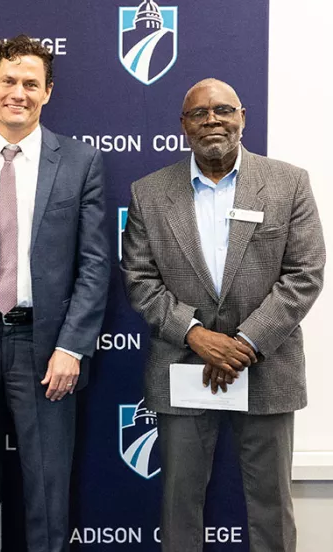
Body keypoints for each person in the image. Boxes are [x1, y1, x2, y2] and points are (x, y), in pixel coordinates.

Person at [121, 78, 325, 552]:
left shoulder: (289, 183)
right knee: (180, 505)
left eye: (223, 110)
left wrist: (245, 343)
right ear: (183, 125)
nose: (212, 119)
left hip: (267, 367)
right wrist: (195, 334)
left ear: (242, 118)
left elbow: (305, 274)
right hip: (183, 366)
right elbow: (139, 279)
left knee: (272, 507)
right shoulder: (149, 193)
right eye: (199, 113)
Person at [0, 35, 109, 552]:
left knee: (48, 495)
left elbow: (95, 265)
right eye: (8, 81)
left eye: (31, 84)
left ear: (47, 92)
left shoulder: (80, 163)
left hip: (47, 349)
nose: (18, 93)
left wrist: (72, 347)